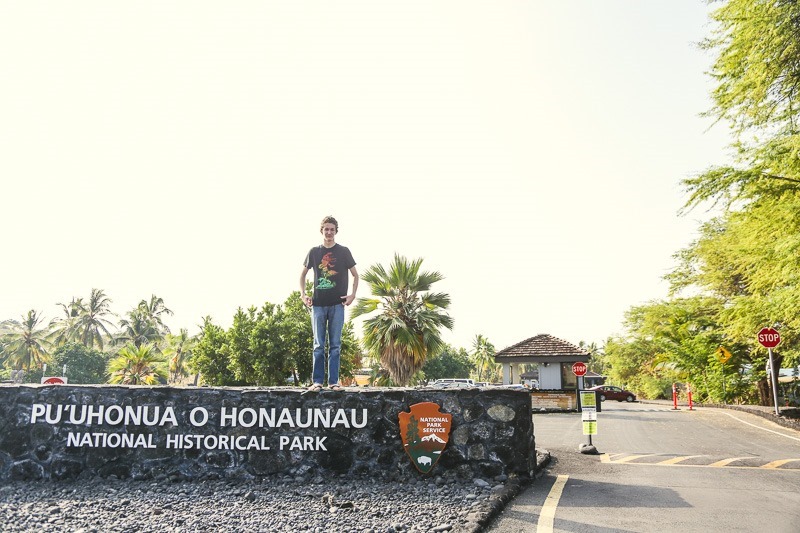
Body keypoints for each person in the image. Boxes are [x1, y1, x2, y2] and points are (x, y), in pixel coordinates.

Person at [300, 216, 358, 391]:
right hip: (318, 304)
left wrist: (352, 295)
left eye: (332, 229)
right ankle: (317, 381)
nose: (329, 232)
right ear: (322, 231)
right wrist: (303, 295)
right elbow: (302, 275)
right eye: (326, 229)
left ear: (336, 231)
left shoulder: (344, 251)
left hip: (337, 305)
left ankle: (333, 382)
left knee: (335, 345)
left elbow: (356, 275)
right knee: (318, 345)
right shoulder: (314, 252)